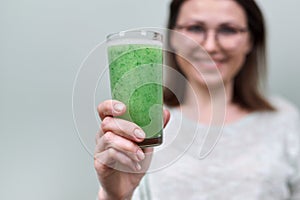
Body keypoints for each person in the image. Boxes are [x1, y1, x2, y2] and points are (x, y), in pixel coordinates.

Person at [94, 0, 300, 199]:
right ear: (173, 38)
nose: (210, 46)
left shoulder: (285, 122)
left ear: (251, 41)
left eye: (228, 30)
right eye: (195, 28)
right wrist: (115, 197)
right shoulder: (140, 126)